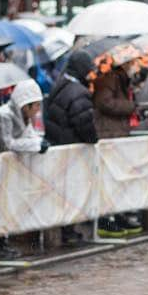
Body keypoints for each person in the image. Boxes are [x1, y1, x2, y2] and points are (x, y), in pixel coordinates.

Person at [45, 50, 99, 245]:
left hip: (60, 147)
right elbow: (84, 123)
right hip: (71, 150)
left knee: (62, 192)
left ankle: (66, 230)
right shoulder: (78, 92)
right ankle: (68, 231)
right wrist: (93, 138)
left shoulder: (60, 85)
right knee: (71, 191)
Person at [92, 59, 142, 237]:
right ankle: (107, 218)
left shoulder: (122, 80)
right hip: (109, 135)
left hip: (118, 134)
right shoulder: (109, 79)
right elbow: (104, 102)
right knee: (109, 180)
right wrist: (131, 107)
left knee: (119, 179)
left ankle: (118, 214)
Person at [0, 78, 46, 156]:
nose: (38, 109)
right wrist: (36, 144)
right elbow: (7, 145)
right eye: (37, 105)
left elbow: (29, 135)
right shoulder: (4, 115)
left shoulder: (24, 114)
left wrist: (40, 142)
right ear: (26, 105)